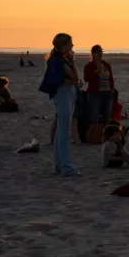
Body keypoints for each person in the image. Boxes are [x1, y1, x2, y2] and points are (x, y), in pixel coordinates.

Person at [43, 33, 81, 177]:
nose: (72, 46)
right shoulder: (60, 61)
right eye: (70, 43)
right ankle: (66, 166)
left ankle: (59, 164)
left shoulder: (57, 60)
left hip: (64, 95)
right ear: (64, 46)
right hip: (64, 95)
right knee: (64, 132)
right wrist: (73, 61)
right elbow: (75, 77)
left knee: (60, 131)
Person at [83, 45, 115, 125]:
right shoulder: (89, 66)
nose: (100, 53)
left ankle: (105, 135)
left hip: (107, 93)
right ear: (93, 53)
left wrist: (112, 90)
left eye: (101, 51)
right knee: (94, 116)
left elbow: (110, 79)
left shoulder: (106, 65)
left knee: (107, 116)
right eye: (98, 51)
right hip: (94, 94)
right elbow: (86, 78)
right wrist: (96, 72)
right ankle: (94, 135)